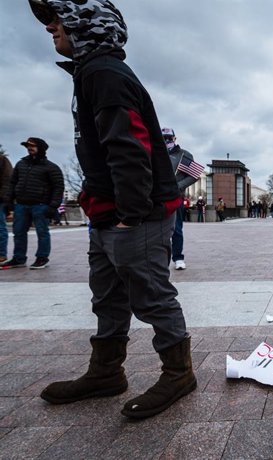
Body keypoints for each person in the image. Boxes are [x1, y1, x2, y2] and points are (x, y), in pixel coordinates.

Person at [29, 0, 196, 418]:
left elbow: (129, 146)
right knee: (107, 297)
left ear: (85, 25)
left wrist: (130, 213)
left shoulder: (104, 73)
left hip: (135, 213)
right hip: (105, 210)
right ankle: (106, 372)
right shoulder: (90, 72)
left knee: (152, 296)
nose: (51, 28)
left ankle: (179, 373)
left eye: (58, 21)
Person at [1, 137, 64, 269]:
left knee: (42, 232)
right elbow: (12, 183)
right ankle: (18, 259)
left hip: (41, 206)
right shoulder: (21, 164)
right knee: (18, 233)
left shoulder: (51, 167)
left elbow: (58, 187)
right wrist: (9, 201)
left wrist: (53, 206)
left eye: (33, 146)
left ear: (41, 148)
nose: (30, 148)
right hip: (21, 205)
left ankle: (42, 258)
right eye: (28, 146)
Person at [162, 128, 199, 270]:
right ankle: (160, 259)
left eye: (169, 138)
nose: (166, 141)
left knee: (176, 228)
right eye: (164, 137)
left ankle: (178, 257)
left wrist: (178, 186)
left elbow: (193, 175)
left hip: (175, 196)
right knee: (156, 230)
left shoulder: (184, 155)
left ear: (174, 138)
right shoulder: (154, 152)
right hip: (156, 197)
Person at [0, 149, 14, 264]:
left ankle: (1, 254)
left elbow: (8, 180)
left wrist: (3, 198)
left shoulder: (2, 160)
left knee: (0, 228)